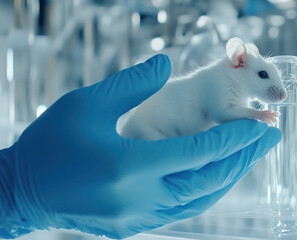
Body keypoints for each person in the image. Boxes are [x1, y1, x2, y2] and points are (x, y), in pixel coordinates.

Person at [0, 54, 281, 239]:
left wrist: (13, 197)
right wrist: (14, 190)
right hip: (154, 129)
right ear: (238, 61)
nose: (278, 92)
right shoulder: (220, 79)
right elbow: (221, 112)